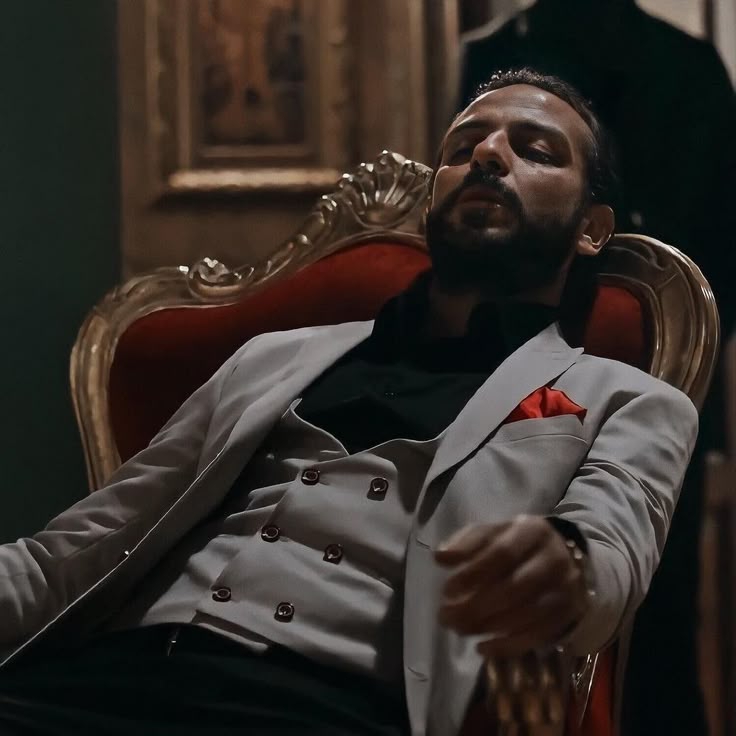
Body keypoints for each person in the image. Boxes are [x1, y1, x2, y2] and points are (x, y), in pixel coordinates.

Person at [0, 69, 698, 736]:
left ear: (591, 228)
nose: (487, 153)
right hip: (101, 684)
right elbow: (72, 553)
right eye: (462, 147)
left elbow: (611, 553)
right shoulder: (271, 357)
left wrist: (564, 567)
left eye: (536, 150)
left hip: (323, 710)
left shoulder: (630, 401)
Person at [458, 6, 736, 733]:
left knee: (657, 611)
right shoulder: (496, 56)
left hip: (658, 370)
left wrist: (677, 348)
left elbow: (725, 246)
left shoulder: (689, 69)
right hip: (514, 369)